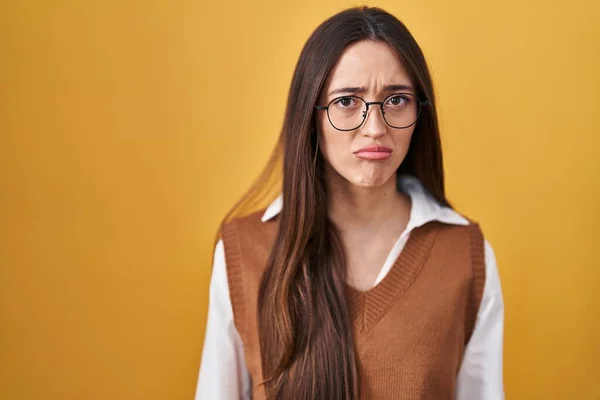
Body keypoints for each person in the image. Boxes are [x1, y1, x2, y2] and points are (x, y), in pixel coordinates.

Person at [195, 6, 504, 400]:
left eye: (396, 100)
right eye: (346, 102)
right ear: (311, 115)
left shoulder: (465, 256)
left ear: (419, 112)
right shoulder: (245, 252)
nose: (375, 128)